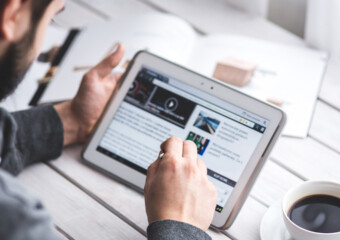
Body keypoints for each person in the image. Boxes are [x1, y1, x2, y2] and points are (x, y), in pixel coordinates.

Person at [0, 0, 218, 239]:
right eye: (50, 17)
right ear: (12, 16)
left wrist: (71, 121)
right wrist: (181, 227)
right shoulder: (18, 221)